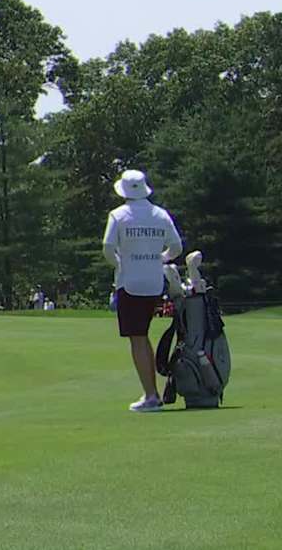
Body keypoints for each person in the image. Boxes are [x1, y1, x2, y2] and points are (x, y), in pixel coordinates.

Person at [103, 169, 185, 412]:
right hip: (154, 283)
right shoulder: (160, 215)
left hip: (129, 284)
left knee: (137, 338)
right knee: (142, 334)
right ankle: (152, 393)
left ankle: (151, 396)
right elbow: (176, 247)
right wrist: (160, 259)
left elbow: (108, 248)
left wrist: (119, 264)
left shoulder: (118, 215)